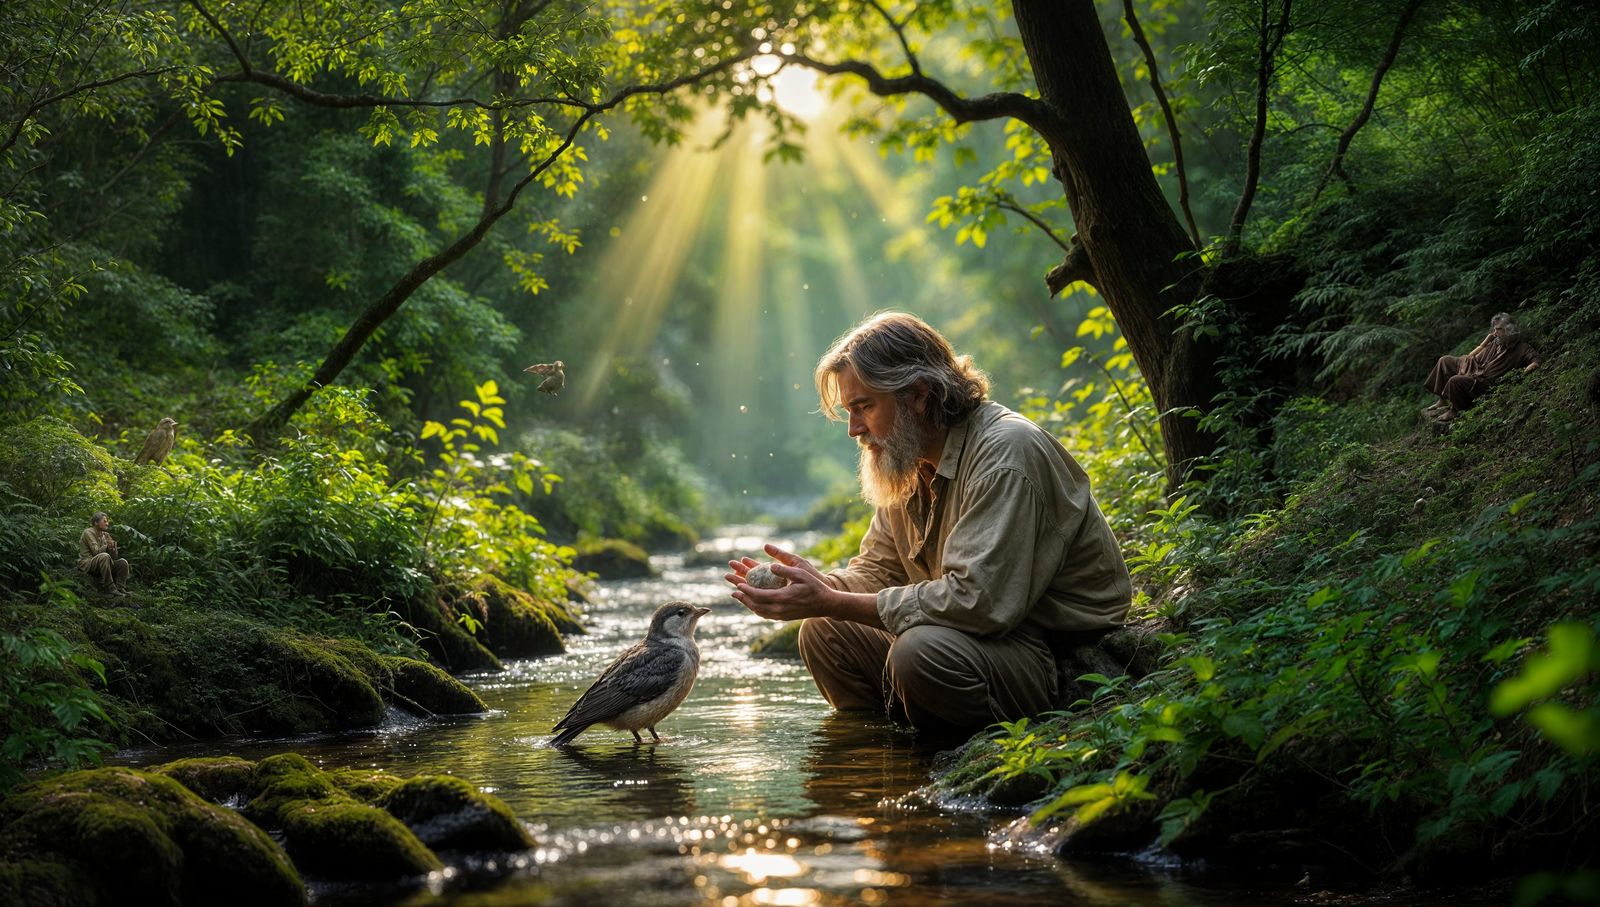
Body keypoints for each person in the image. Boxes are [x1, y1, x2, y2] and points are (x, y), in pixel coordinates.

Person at [726, 312, 1132, 736]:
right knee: (824, 632)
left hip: (1057, 650)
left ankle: (944, 757)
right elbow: (878, 571)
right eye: (850, 410)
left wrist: (831, 600)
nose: (853, 429)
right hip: (984, 639)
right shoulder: (911, 458)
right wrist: (811, 589)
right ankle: (887, 761)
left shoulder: (1005, 455)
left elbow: (977, 603)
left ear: (918, 394)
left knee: (918, 653)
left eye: (864, 407)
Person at [1424, 312, 1540, 422]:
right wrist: (1484, 343)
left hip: (1484, 382)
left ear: (1510, 330)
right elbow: (1472, 357)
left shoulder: (1521, 348)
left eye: (1498, 329)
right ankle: (1442, 399)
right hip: (1476, 367)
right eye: (1494, 329)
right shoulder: (1496, 342)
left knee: (1455, 381)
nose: (1495, 332)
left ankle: (1455, 410)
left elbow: (1534, 358)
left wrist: (1531, 366)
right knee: (1445, 360)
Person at [78, 511, 130, 595]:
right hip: (88, 563)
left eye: (107, 521)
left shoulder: (105, 535)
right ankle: (110, 588)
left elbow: (114, 557)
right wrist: (106, 547)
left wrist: (112, 548)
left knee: (123, 562)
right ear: (96, 522)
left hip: (103, 562)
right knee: (104, 556)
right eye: (104, 521)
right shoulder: (88, 532)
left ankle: (120, 587)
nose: (107, 524)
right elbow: (96, 552)